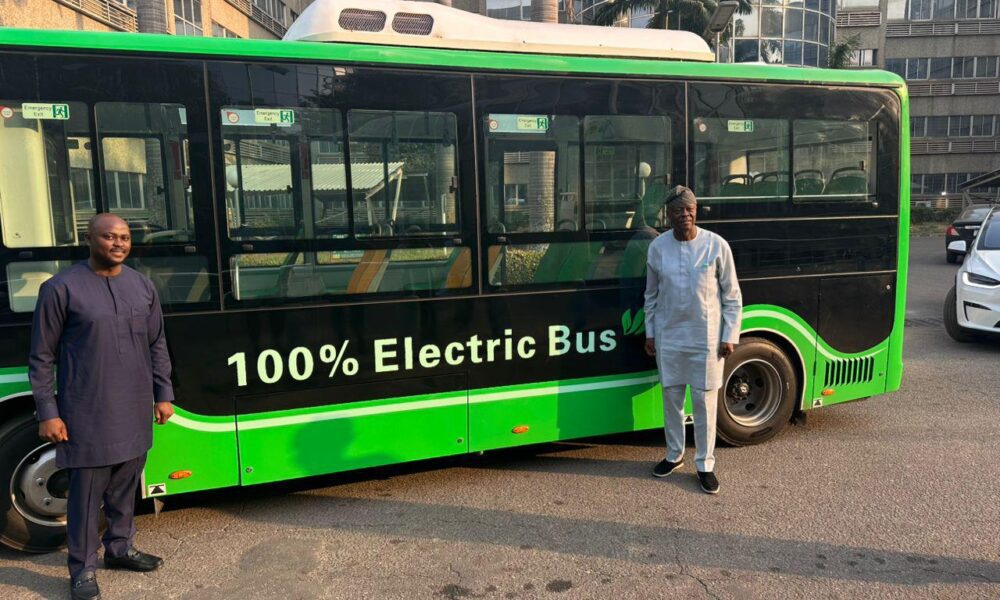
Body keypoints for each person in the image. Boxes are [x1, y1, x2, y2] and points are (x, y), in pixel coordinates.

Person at [28, 213, 175, 600]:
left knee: (126, 486)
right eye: (109, 236)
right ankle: (81, 568)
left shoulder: (142, 286)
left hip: (135, 406)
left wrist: (163, 393)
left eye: (124, 237)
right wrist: (48, 411)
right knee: (86, 496)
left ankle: (120, 548)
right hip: (87, 411)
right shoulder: (60, 288)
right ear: (89, 240)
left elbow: (157, 343)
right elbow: (41, 357)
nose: (118, 243)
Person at [643, 186, 742, 495]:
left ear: (696, 211)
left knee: (704, 402)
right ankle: (674, 455)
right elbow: (651, 295)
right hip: (669, 336)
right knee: (672, 399)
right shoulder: (658, 247)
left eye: (690, 209)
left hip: (706, 340)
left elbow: (732, 296)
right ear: (669, 215)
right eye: (678, 210)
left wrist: (730, 334)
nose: (685, 215)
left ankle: (705, 465)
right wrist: (650, 333)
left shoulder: (716, 245)